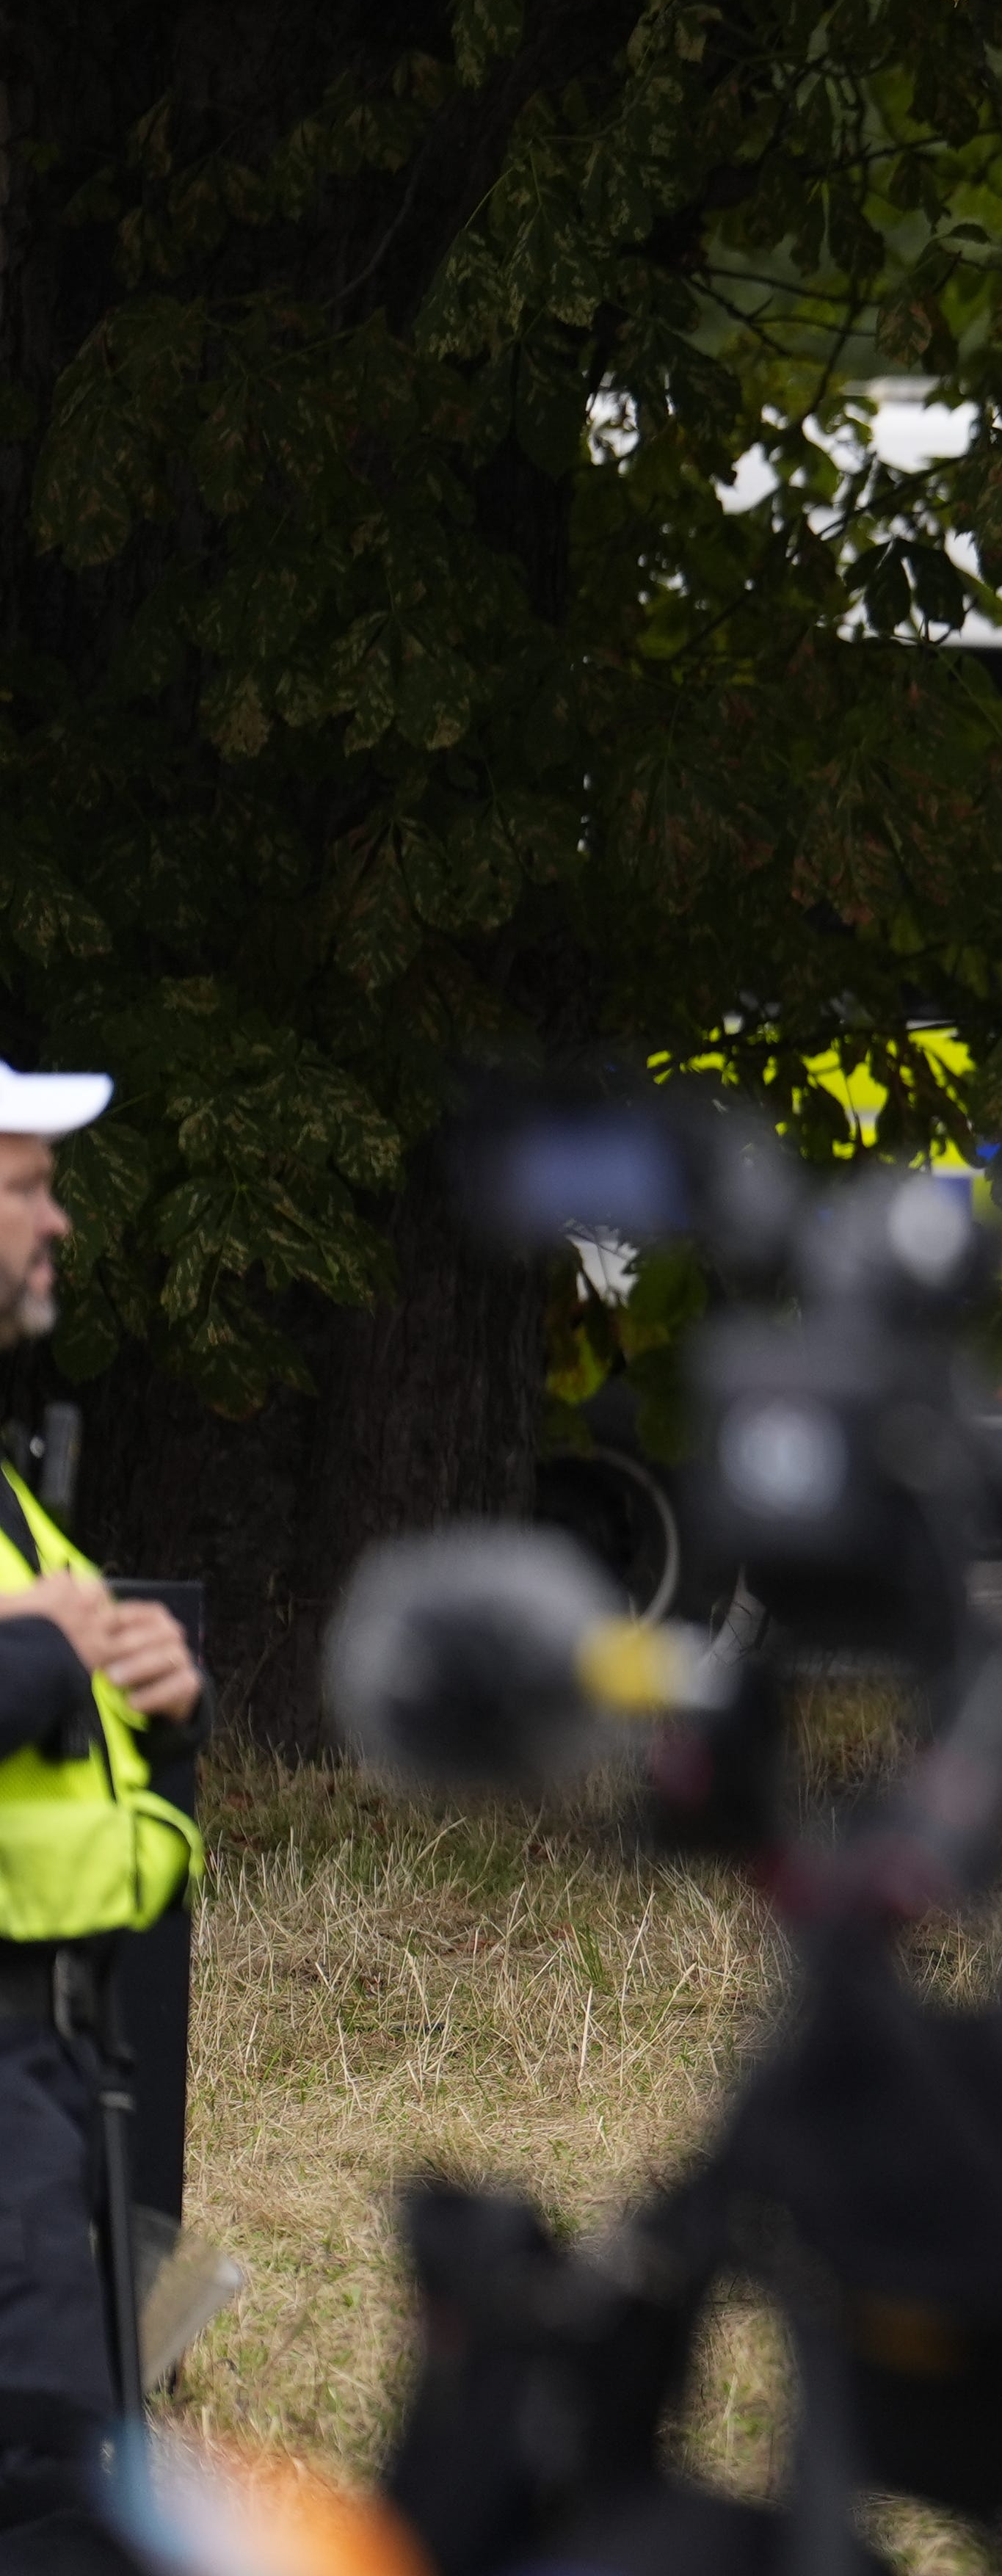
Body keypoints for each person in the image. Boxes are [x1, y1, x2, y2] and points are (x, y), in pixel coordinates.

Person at [0, 1063, 205, 2547]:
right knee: (48, 2485)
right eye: (23, 1184)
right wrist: (43, 1654)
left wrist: (148, 1692)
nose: (55, 1217)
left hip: (54, 2055)